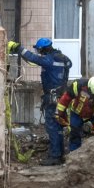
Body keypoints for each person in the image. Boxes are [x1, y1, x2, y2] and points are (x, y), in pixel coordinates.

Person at [15, 37, 72, 166]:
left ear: (44, 49)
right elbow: (69, 65)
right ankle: (60, 154)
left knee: (52, 126)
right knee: (58, 126)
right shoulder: (63, 58)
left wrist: (18, 48)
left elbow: (34, 58)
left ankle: (55, 156)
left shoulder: (48, 60)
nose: (39, 53)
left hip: (52, 97)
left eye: (40, 50)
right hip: (61, 96)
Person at [54, 75, 94, 154]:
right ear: (91, 90)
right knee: (74, 132)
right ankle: (74, 153)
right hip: (76, 113)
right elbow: (65, 99)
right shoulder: (78, 85)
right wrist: (60, 114)